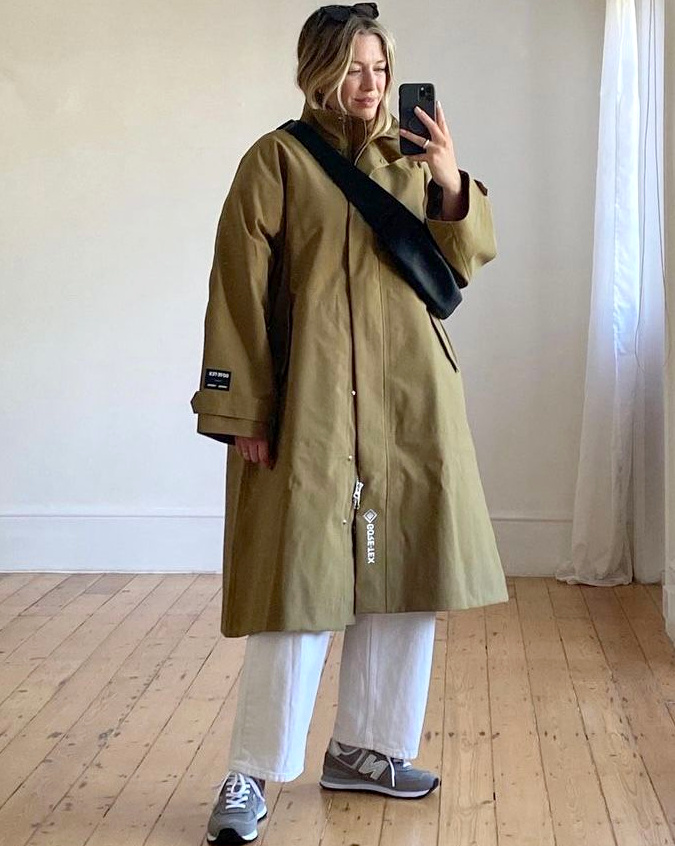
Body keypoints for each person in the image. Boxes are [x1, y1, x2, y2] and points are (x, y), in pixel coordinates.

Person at [190, 3, 509, 843]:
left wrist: (448, 177)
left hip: (410, 400)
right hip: (312, 401)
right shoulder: (275, 160)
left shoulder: (410, 158)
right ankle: (251, 770)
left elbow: (463, 263)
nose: (369, 85)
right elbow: (237, 291)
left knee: (404, 575)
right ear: (316, 72)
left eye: (380, 68)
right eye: (352, 69)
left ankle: (366, 749)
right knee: (296, 588)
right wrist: (241, 409)